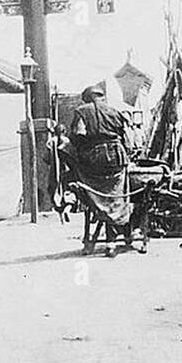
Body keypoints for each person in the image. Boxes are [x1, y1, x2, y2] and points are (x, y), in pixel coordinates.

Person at [69, 85, 142, 248]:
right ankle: (117, 234)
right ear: (101, 97)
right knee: (117, 194)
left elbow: (78, 134)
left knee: (97, 193)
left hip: (94, 160)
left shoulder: (82, 111)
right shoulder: (114, 111)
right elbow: (127, 138)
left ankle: (107, 232)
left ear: (87, 98)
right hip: (117, 157)